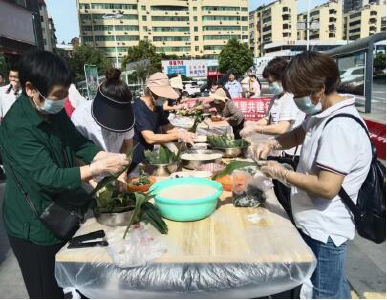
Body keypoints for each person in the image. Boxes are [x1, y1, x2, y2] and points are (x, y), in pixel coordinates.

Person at [0, 50, 129, 298]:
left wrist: (104, 157)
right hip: (34, 226)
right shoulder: (17, 127)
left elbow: (77, 143)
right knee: (47, 291)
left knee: (75, 282)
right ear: (30, 89)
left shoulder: (54, 112)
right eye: (57, 95)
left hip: (65, 210)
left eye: (64, 94)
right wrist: (96, 169)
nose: (61, 101)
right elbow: (50, 176)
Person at [251, 51, 372, 299]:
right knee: (335, 287)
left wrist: (280, 172)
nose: (295, 99)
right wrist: (272, 144)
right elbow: (297, 135)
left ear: (319, 88)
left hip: (325, 228)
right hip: (312, 220)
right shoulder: (321, 114)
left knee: (324, 293)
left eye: (298, 93)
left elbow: (326, 187)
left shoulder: (340, 126)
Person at [71, 68, 135, 191]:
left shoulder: (127, 116)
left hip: (115, 175)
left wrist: (122, 174)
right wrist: (93, 183)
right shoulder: (80, 116)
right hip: (90, 178)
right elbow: (77, 154)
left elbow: (128, 146)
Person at [131, 72, 195, 170]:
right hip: (135, 158)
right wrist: (178, 135)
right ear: (151, 92)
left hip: (147, 155)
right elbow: (150, 138)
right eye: (161, 94)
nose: (164, 98)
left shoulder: (157, 106)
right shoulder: (138, 108)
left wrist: (183, 133)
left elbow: (168, 128)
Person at [241, 57, 304, 156]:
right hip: (276, 147)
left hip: (289, 152)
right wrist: (253, 124)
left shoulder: (290, 97)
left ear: (282, 79)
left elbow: (282, 128)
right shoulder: (275, 98)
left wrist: (256, 129)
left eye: (271, 82)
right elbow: (267, 119)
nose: (270, 85)